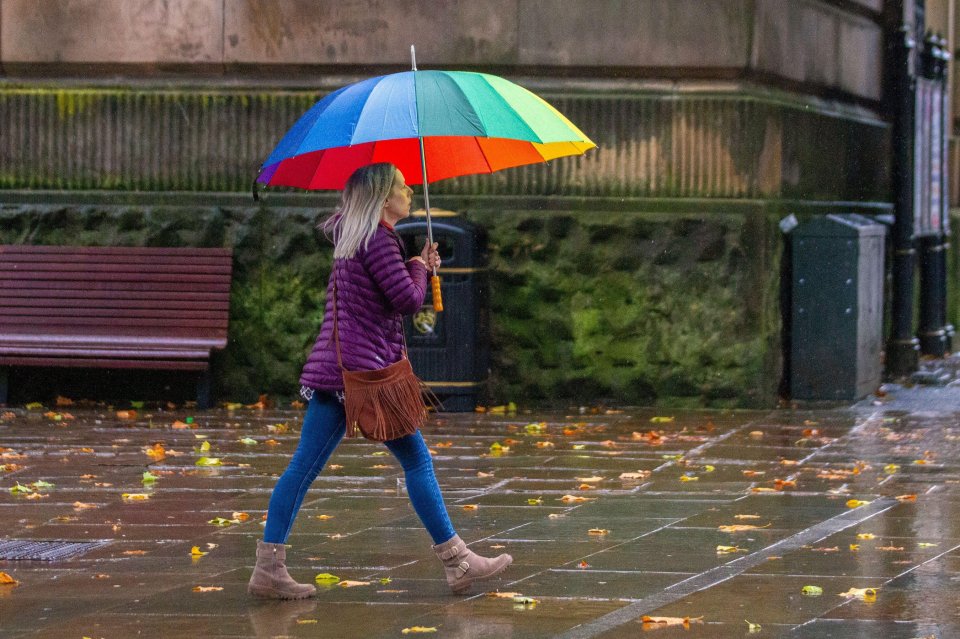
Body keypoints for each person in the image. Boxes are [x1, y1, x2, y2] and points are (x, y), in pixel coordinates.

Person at [248, 162, 512, 600]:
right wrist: (420, 267)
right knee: (415, 460)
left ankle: (268, 568)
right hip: (362, 372)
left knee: (304, 468)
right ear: (384, 198)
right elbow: (407, 300)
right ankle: (458, 562)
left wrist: (413, 263)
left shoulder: (357, 234)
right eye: (401, 186)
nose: (409, 190)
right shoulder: (378, 238)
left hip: (340, 369)